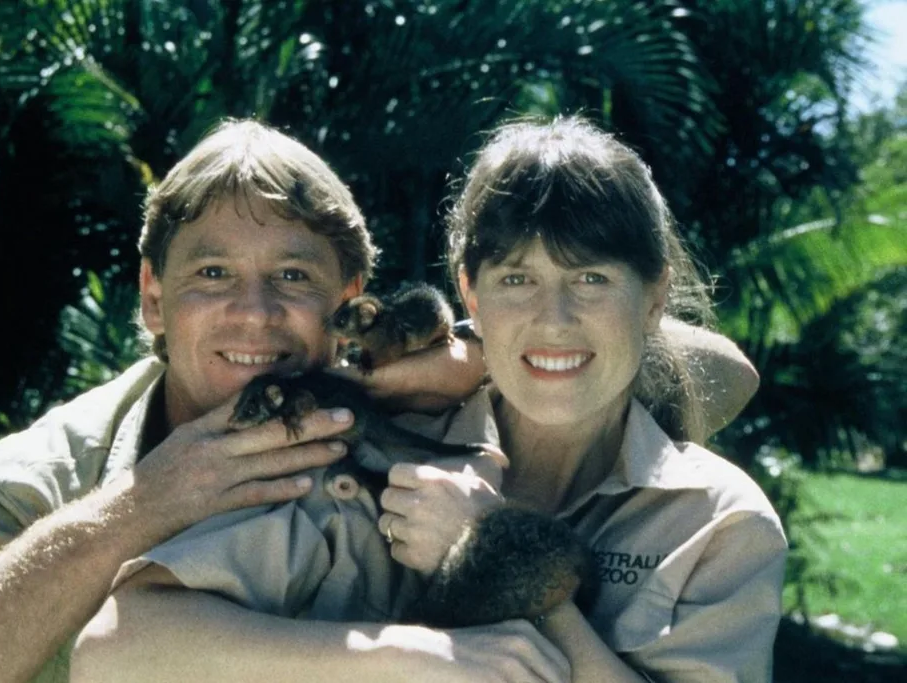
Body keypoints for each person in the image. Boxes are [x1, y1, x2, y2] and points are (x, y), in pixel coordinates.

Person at [67, 117, 780, 683]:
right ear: (470, 295)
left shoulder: (716, 524)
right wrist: (409, 656)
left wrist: (487, 545)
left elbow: (730, 370)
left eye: (591, 279)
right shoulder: (376, 451)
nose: (554, 319)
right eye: (515, 280)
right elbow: (113, 650)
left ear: (655, 296)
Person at [0, 120, 492, 683]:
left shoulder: (427, 412)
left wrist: (479, 360)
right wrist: (137, 509)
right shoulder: (50, 471)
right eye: (212, 274)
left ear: (349, 298)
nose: (255, 313)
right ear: (153, 297)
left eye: (293, 277)